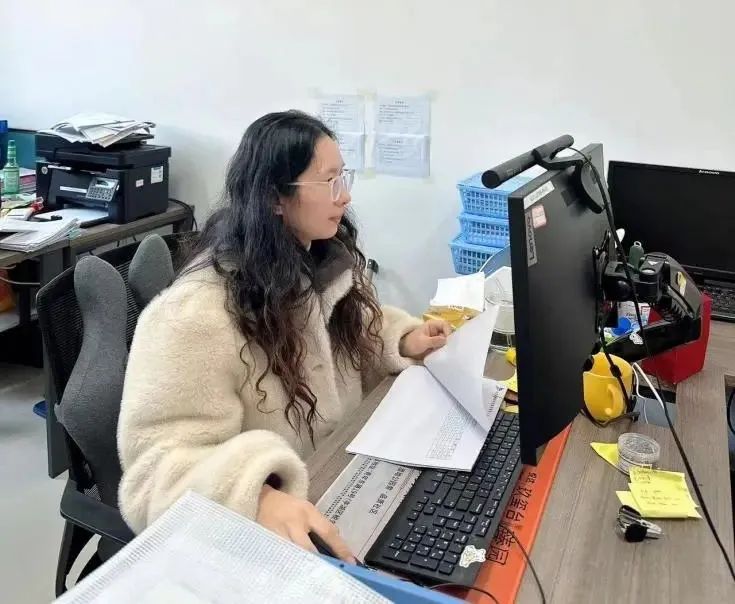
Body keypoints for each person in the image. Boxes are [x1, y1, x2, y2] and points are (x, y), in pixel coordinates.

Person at [117, 111, 451, 562]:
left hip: (337, 481)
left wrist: (403, 339)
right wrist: (255, 493)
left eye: (343, 177)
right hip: (260, 544)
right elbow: (152, 473)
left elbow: (358, 330)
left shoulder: (322, 263)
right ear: (275, 197)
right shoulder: (193, 314)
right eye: (329, 181)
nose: (345, 195)